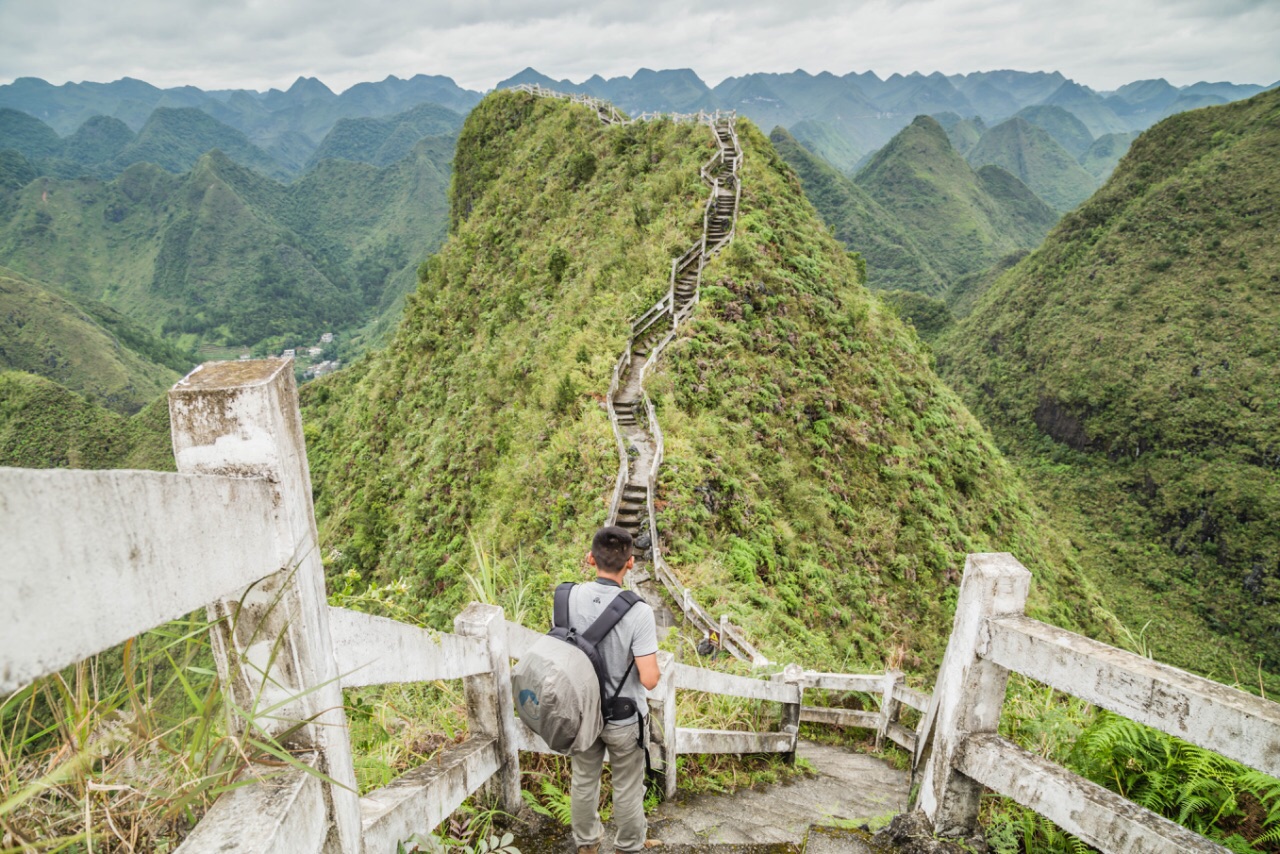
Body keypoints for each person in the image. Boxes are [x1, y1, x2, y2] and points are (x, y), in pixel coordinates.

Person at [569, 526, 663, 854]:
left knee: (583, 781)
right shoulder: (639, 612)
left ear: (590, 558)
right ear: (631, 563)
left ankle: (587, 845)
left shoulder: (568, 597)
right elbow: (649, 679)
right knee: (626, 786)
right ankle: (628, 845)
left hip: (581, 712)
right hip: (623, 718)